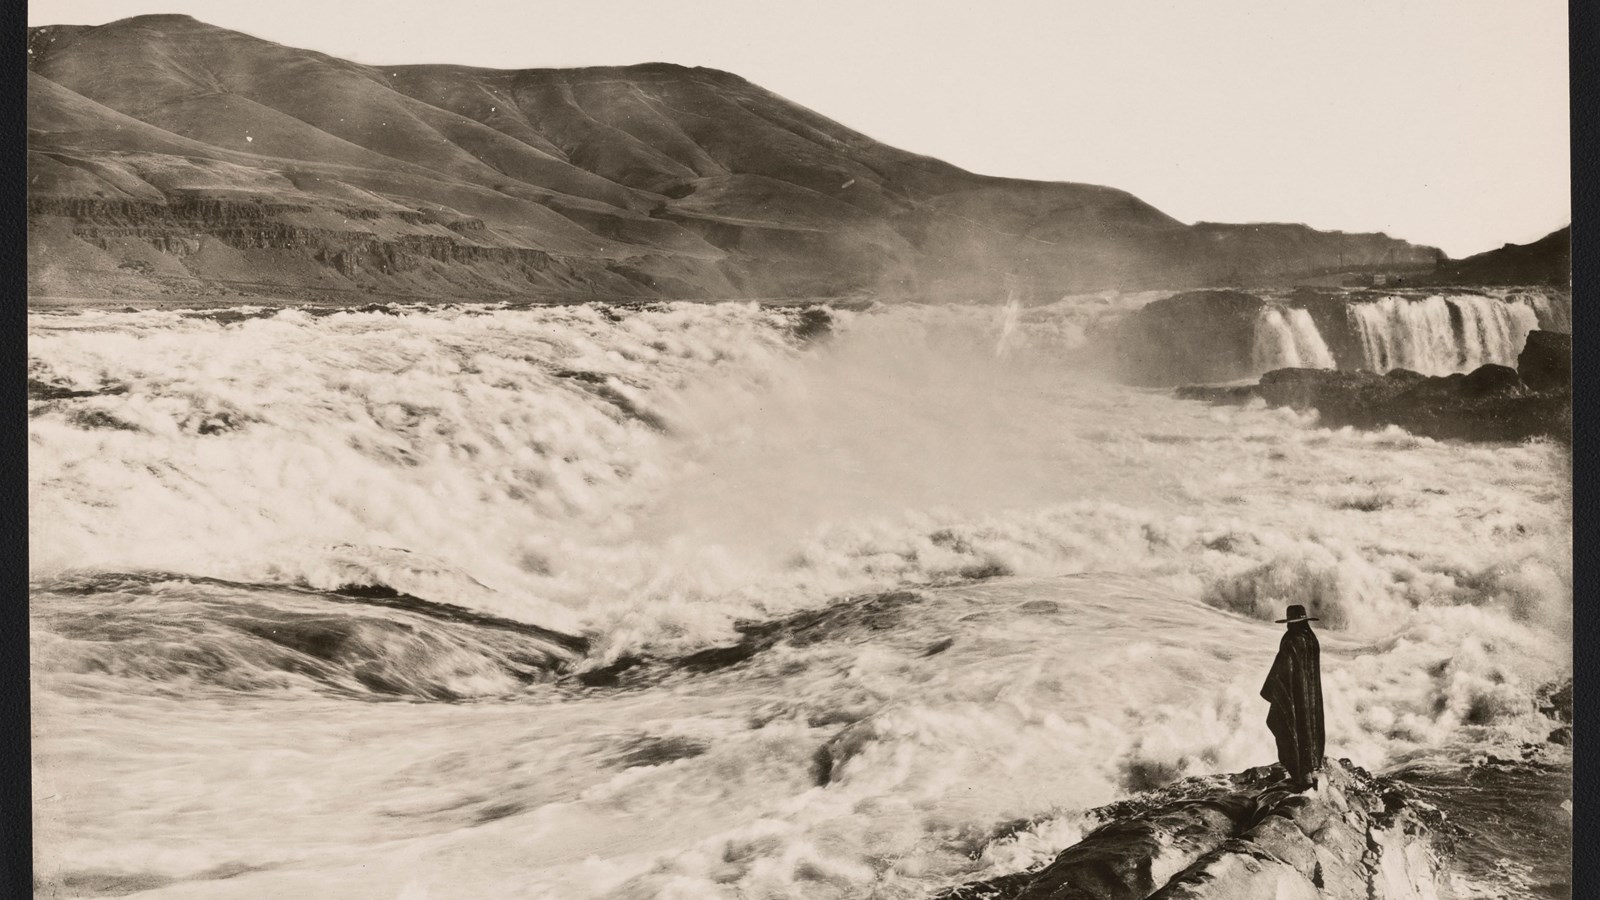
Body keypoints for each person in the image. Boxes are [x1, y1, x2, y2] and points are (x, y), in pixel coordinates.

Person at [1261, 604, 1324, 790]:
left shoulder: (1291, 641)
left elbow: (1282, 669)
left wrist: (1274, 690)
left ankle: (1302, 777)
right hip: (1312, 697)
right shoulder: (1312, 640)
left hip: (1296, 696)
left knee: (1289, 726)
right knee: (1311, 729)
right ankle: (1311, 771)